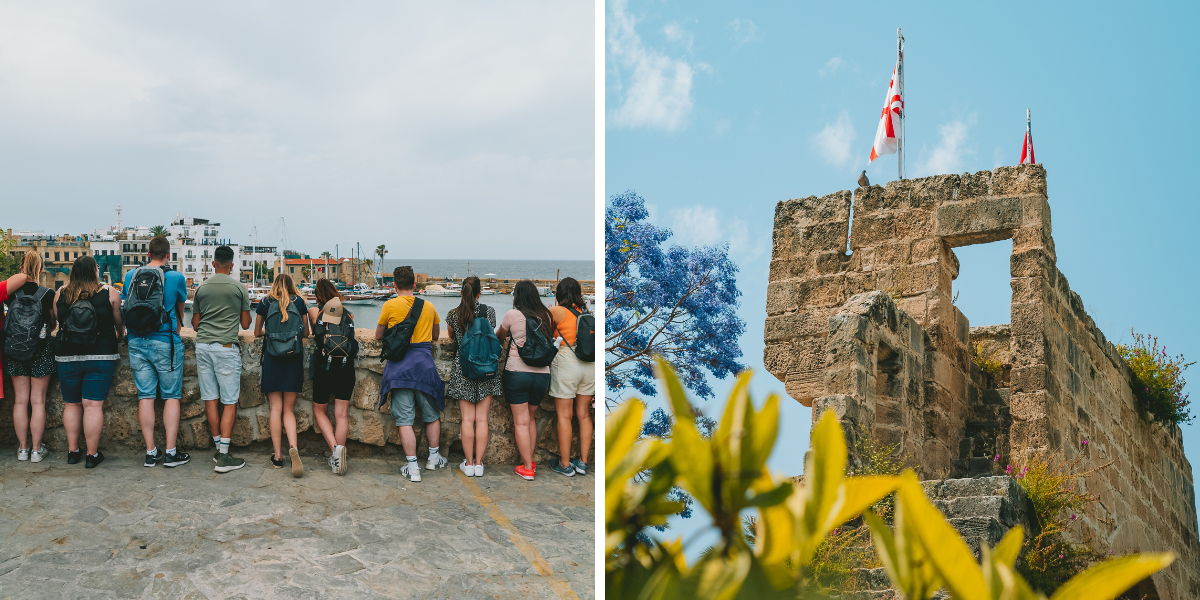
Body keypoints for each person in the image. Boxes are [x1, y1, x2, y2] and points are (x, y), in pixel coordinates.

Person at [123, 236, 190, 468]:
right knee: (171, 396)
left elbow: (126, 305)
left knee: (146, 396)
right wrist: (176, 331)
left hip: (136, 342)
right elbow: (180, 308)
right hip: (165, 341)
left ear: (148, 254)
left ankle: (151, 452)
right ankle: (171, 453)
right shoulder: (176, 277)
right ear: (168, 255)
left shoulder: (131, 276)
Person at [375, 266, 446, 482]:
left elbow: (378, 335)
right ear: (415, 284)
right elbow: (435, 335)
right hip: (424, 367)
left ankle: (413, 467)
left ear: (394, 285)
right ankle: (434, 458)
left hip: (399, 369)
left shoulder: (389, 305)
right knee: (432, 415)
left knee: (405, 419)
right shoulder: (429, 306)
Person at [53, 255, 122, 468]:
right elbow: (119, 322)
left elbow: (57, 320)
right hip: (101, 355)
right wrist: (120, 335)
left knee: (72, 404)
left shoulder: (61, 293)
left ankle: (73, 452)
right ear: (95, 270)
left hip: (68, 356)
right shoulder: (109, 292)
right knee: (93, 406)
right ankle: (92, 456)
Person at [190, 245, 250, 473]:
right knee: (229, 401)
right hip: (225, 347)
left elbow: (195, 325)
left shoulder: (201, 288)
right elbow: (245, 324)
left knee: (210, 398)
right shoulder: (239, 288)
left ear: (213, 264)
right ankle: (224, 456)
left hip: (203, 346)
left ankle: (218, 448)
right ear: (232, 265)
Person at [496, 279, 553, 481]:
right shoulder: (546, 315)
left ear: (517, 296)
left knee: (521, 421)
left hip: (518, 373)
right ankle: (529, 460)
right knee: (530, 418)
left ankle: (528, 467)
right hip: (542, 374)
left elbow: (499, 336)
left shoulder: (513, 315)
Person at [254, 274, 310, 477]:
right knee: (288, 410)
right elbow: (305, 333)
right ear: (292, 285)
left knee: (275, 409)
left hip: (272, 359)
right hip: (293, 359)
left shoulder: (265, 302)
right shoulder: (300, 302)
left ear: (274, 285)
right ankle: (293, 447)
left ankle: (278, 456)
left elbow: (256, 332)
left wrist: (271, 335)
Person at [445, 276, 500, 477]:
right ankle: (479, 464)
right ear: (479, 294)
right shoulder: (489, 312)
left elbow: (451, 336)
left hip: (464, 368)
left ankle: (468, 464)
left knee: (467, 419)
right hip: (486, 366)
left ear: (461, 292)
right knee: (482, 419)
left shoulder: (454, 314)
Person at [3, 252, 47, 461]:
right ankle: (37, 450)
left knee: (20, 401)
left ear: (21, 268)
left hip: (16, 350)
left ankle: (22, 449)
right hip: (40, 350)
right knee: (37, 401)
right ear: (40, 270)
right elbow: (53, 325)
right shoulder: (48, 294)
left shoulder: (12, 294)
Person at [548, 277, 594, 476]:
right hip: (589, 364)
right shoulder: (587, 312)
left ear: (559, 294)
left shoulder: (556, 311)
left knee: (565, 415)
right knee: (583, 414)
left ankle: (565, 464)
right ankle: (583, 462)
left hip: (568, 360)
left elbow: (545, 334)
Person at [308, 278, 354, 475]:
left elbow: (314, 333)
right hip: (346, 367)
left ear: (318, 295)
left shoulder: (314, 312)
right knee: (341, 414)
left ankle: (336, 452)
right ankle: (339, 454)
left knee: (319, 411)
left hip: (324, 367)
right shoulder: (348, 313)